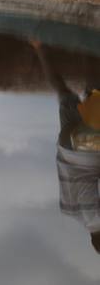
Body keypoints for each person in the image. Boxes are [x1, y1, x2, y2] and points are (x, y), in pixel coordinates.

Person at [34, 41, 100, 252]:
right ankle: (39, 47)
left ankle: (87, 43)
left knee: (95, 93)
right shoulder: (73, 214)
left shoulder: (97, 218)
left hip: (84, 149)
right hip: (65, 148)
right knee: (64, 94)